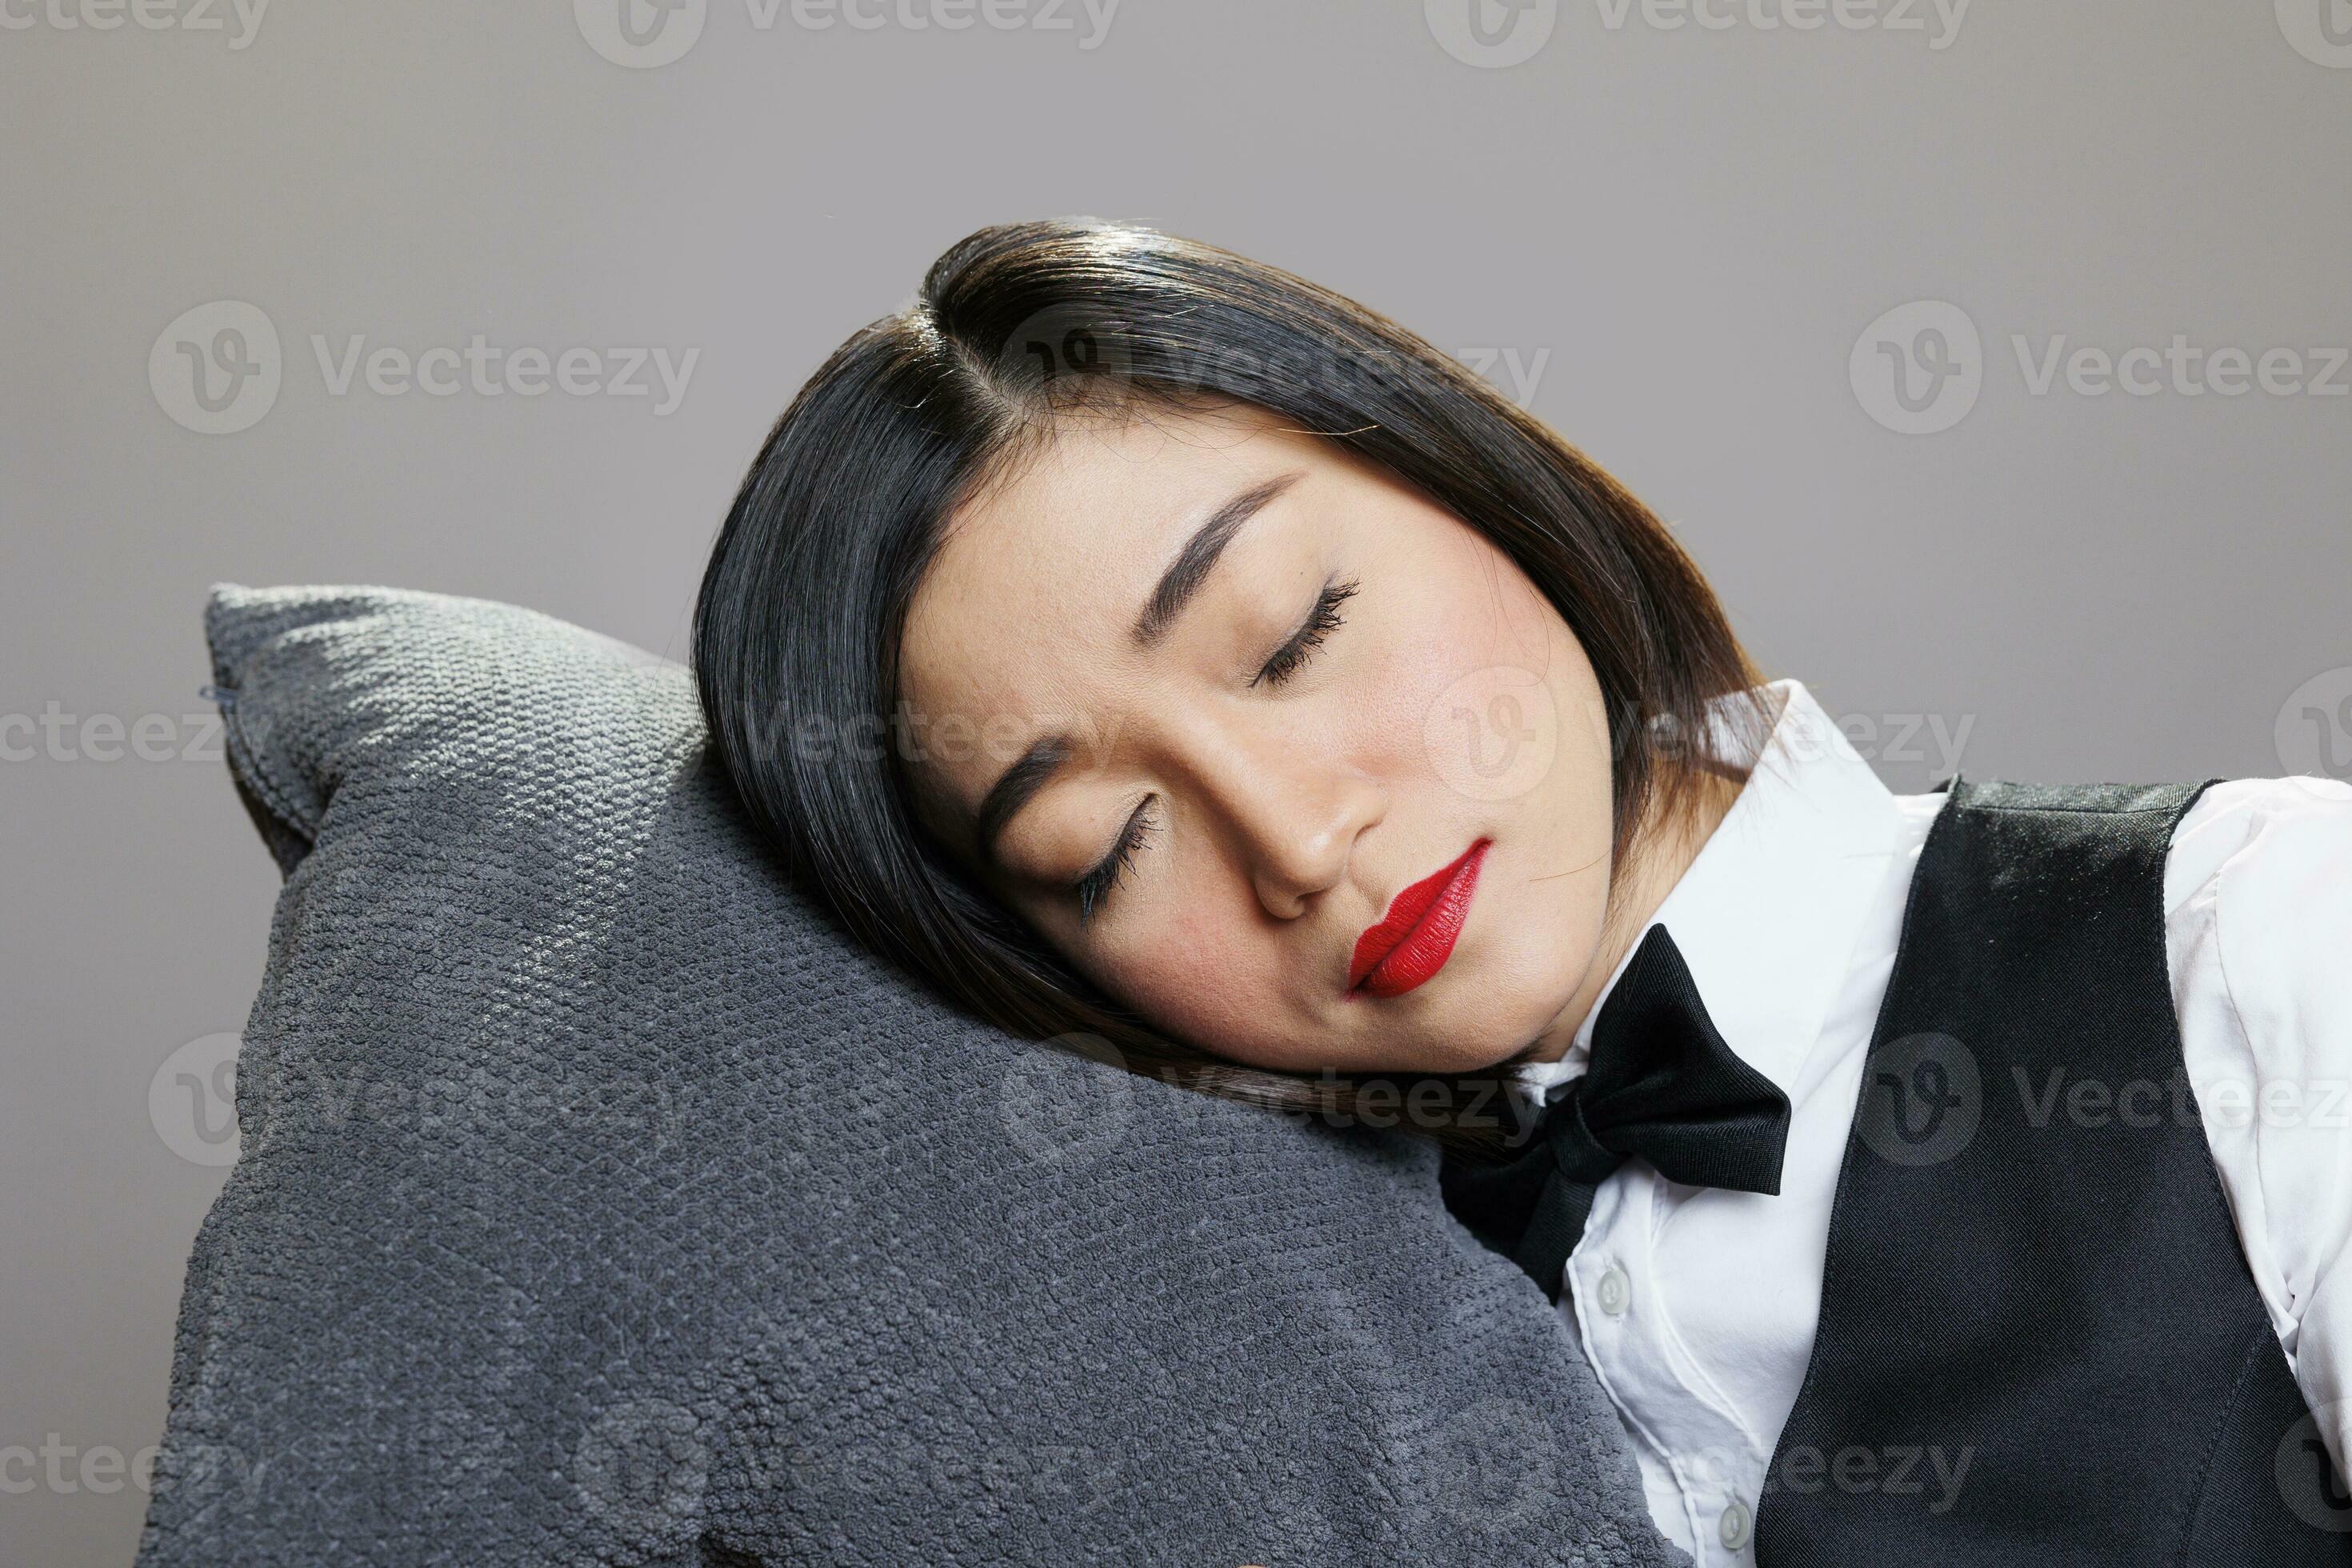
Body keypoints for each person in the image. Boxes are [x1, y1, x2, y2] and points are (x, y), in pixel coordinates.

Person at [693, 217, 2352, 1564]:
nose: (1297, 840)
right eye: (1104, 849)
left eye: (1293, 630)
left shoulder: (2256, 928)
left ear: (1475, 479)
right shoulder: (1243, 1340)